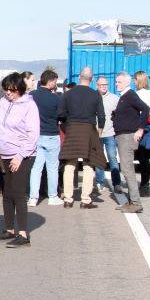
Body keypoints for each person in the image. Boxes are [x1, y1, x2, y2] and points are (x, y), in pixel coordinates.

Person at [0, 72, 39, 246]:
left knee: (18, 193)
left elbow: (33, 134)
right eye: (6, 90)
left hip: (22, 154)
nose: (8, 93)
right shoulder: (4, 102)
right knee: (7, 193)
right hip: (3, 153)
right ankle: (9, 228)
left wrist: (20, 156)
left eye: (11, 90)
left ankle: (23, 233)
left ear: (19, 89)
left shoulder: (29, 106)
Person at [58, 68, 106, 208]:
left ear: (79, 77)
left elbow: (60, 114)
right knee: (88, 164)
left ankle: (68, 199)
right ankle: (85, 200)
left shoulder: (68, 94)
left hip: (72, 129)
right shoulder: (96, 95)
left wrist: (67, 127)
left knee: (69, 164)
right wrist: (99, 131)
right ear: (92, 79)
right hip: (88, 130)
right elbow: (101, 116)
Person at [110, 73, 150, 212]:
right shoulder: (124, 96)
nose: (116, 84)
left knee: (127, 169)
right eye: (116, 82)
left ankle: (136, 203)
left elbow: (145, 109)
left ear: (127, 83)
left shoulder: (130, 95)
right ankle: (131, 201)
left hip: (127, 136)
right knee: (126, 169)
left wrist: (140, 129)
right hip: (123, 135)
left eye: (119, 82)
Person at [27, 70, 62, 207]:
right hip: (52, 135)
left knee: (36, 168)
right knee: (52, 167)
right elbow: (61, 116)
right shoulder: (56, 98)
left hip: (36, 135)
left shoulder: (32, 96)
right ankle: (53, 196)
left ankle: (33, 197)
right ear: (51, 81)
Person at [94, 76, 122, 195]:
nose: (103, 87)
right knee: (99, 159)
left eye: (105, 85)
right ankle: (100, 182)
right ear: (97, 85)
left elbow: (119, 115)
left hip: (110, 133)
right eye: (101, 85)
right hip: (97, 133)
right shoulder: (93, 97)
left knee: (112, 158)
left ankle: (117, 184)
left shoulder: (115, 98)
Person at [133, 71, 150, 197]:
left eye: (135, 79)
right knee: (145, 158)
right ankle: (144, 185)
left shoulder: (136, 95)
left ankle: (141, 185)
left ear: (138, 81)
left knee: (140, 157)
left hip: (140, 127)